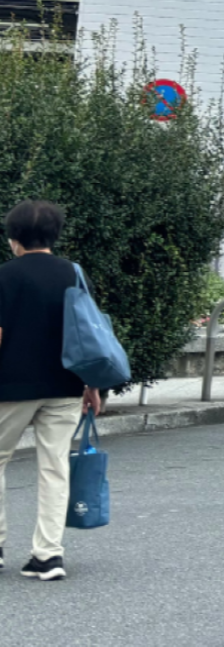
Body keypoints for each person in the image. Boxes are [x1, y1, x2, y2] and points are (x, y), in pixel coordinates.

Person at [0, 200, 104, 582]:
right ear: (54, 236)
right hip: (66, 385)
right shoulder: (74, 275)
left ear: (14, 238)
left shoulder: (5, 276)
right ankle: (48, 556)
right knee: (54, 466)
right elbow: (88, 334)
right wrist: (92, 385)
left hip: (9, 387)